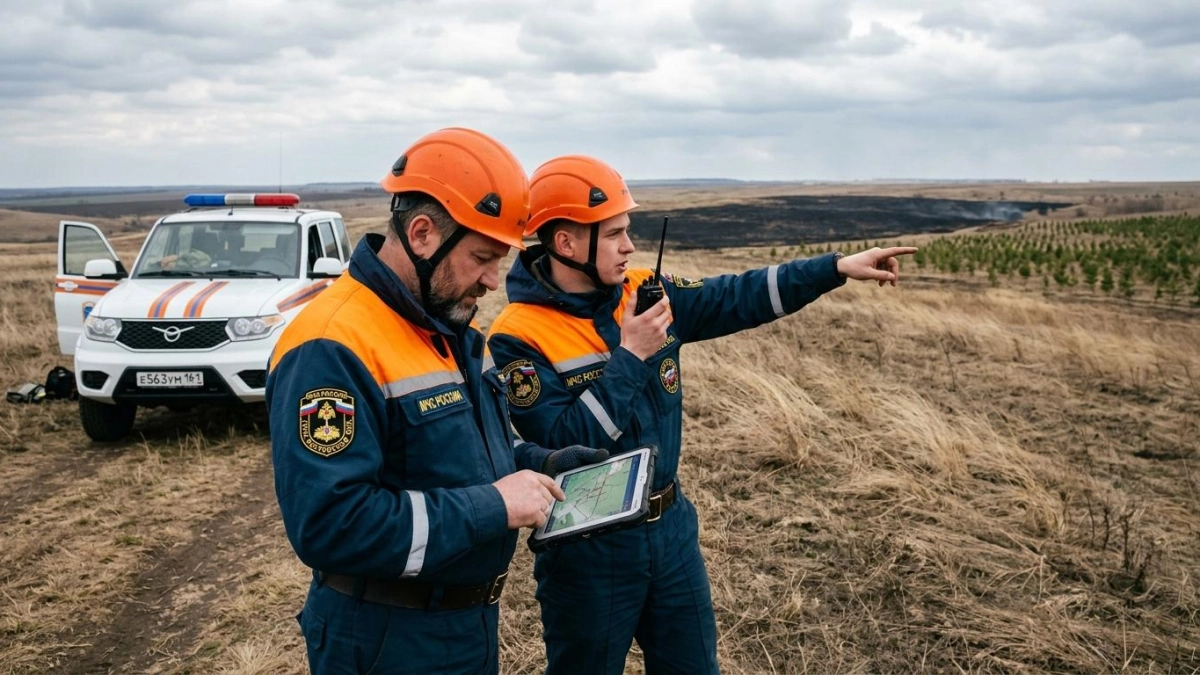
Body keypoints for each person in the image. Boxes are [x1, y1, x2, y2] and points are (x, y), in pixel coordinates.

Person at [487, 155, 917, 675]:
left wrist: (834, 269)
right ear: (567, 243)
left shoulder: (648, 291)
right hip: (589, 550)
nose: (630, 246)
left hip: (671, 533)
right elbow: (563, 447)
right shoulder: (518, 334)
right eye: (616, 234)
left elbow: (737, 295)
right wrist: (632, 356)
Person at [266, 130, 606, 675]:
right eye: (482, 257)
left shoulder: (444, 323)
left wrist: (547, 466)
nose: (494, 281)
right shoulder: (332, 345)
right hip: (387, 639)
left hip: (463, 628)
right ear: (422, 234)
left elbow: (468, 458)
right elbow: (333, 525)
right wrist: (495, 507)